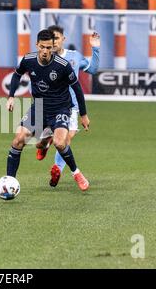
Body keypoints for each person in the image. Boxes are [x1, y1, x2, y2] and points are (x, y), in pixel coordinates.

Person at [5, 29, 90, 191]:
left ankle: (76, 173)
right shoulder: (28, 60)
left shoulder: (62, 65)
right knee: (18, 140)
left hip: (61, 109)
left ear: (53, 47)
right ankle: (9, 182)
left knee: (59, 143)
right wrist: (11, 96)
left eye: (49, 48)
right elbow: (17, 74)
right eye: (42, 47)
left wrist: (84, 115)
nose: (45, 51)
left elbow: (77, 88)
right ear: (37, 45)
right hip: (39, 108)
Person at [35, 25, 100, 190]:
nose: (54, 41)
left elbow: (92, 69)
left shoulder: (74, 57)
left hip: (70, 107)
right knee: (44, 142)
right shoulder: (43, 59)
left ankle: (57, 169)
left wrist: (95, 48)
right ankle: (45, 143)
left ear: (63, 39)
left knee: (66, 139)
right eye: (52, 39)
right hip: (49, 106)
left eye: (57, 38)